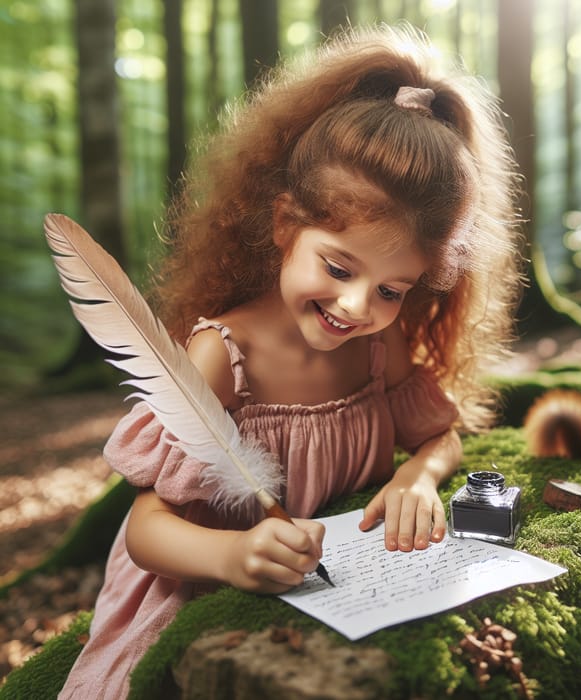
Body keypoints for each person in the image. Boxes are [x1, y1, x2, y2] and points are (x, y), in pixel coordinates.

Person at [59, 23, 522, 699]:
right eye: (338, 267)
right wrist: (232, 554)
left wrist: (419, 478)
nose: (358, 304)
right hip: (203, 599)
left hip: (342, 596)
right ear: (285, 226)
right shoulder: (222, 356)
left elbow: (440, 435)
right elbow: (146, 531)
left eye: (392, 290)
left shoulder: (377, 349)